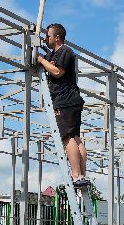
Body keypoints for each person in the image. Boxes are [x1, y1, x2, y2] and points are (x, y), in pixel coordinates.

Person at [37, 22, 87, 186]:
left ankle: (76, 174)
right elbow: (51, 64)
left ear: (57, 37)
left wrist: (40, 60)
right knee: (75, 138)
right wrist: (43, 59)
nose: (46, 39)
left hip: (65, 101)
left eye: (48, 36)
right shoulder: (55, 54)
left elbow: (57, 72)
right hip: (70, 101)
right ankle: (81, 174)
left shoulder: (65, 51)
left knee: (66, 137)